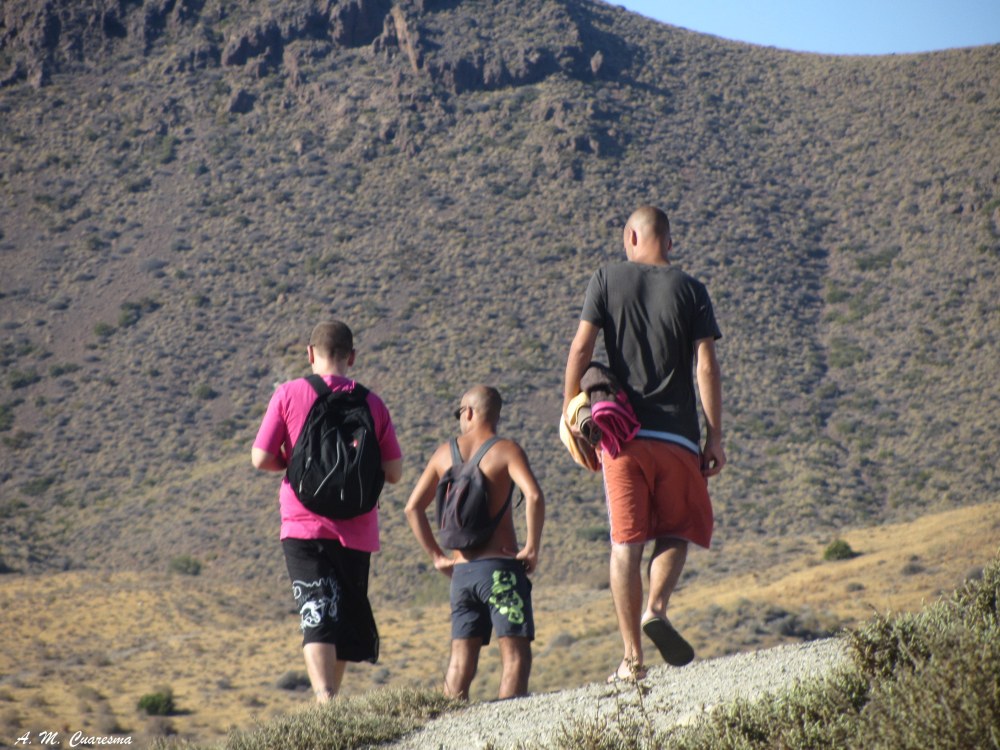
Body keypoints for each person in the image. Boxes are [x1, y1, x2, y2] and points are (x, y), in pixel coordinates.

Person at [562, 205, 725, 683]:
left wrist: (571, 410)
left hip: (623, 436)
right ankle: (656, 607)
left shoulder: (607, 279)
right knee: (678, 528)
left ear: (631, 237)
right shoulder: (692, 290)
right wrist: (714, 435)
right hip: (678, 437)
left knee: (625, 543)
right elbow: (707, 368)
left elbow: (580, 349)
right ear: (668, 242)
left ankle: (632, 658)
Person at [252, 320, 403, 703]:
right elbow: (395, 473)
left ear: (309, 353)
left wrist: (295, 466)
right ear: (351, 357)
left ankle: (324, 699)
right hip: (357, 529)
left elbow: (260, 457)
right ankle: (331, 700)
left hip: (303, 525)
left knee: (315, 609)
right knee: (341, 616)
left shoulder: (288, 394)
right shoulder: (373, 403)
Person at [405, 386, 545, 700]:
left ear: (469, 412)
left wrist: (437, 557)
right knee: (515, 655)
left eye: (460, 414)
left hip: (462, 575)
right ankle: (508, 728)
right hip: (501, 571)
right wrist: (532, 548)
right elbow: (534, 495)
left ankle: (449, 731)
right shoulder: (506, 450)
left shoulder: (444, 453)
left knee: (460, 662)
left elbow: (412, 507)